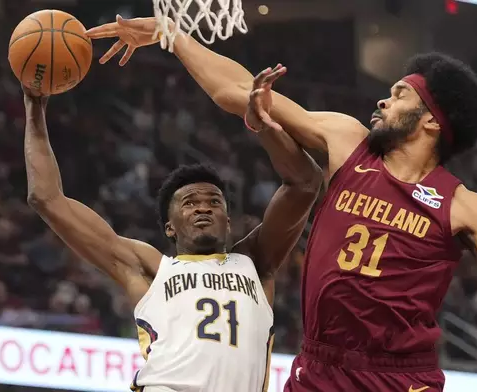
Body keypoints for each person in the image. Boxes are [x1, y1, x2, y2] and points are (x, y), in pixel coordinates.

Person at [86, 16, 477, 391]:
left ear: (431, 121)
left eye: (398, 96)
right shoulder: (348, 141)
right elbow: (239, 92)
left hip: (398, 378)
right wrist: (174, 36)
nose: (382, 101)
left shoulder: (467, 206)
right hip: (319, 364)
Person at [22, 67, 321, 392]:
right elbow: (47, 198)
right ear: (169, 227)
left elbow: (305, 182)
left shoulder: (255, 262)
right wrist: (34, 109)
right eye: (190, 203)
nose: (204, 207)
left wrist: (262, 125)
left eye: (214, 202)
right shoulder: (150, 268)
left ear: (229, 221)